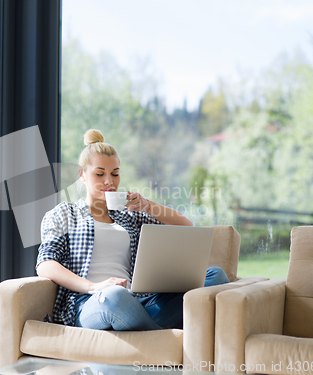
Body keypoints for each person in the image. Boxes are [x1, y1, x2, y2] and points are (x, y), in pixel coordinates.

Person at [36, 129, 229, 331]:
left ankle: (142, 327)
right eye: (100, 174)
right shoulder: (65, 213)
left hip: (137, 301)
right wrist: (95, 286)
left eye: (115, 173)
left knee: (215, 276)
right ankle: (159, 336)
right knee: (114, 297)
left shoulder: (128, 216)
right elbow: (45, 264)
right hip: (91, 302)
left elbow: (186, 227)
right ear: (82, 175)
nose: (109, 181)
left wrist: (147, 205)